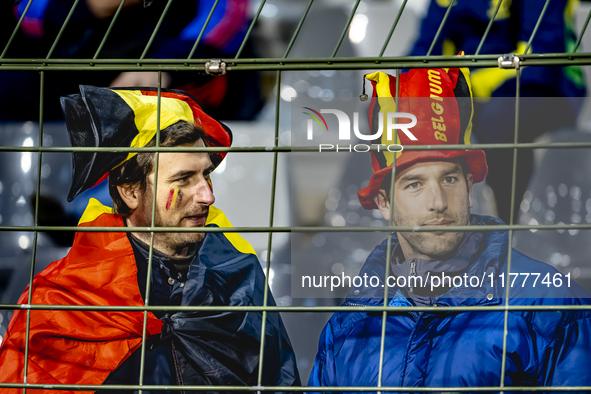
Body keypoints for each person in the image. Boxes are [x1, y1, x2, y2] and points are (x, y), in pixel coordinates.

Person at [0, 86, 300, 391]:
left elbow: (281, 382)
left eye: (206, 175)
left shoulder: (238, 272)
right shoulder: (60, 298)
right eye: (184, 179)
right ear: (130, 191)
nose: (208, 196)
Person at [308, 68, 591, 389]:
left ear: (470, 188)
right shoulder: (347, 327)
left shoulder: (550, 304)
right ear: (384, 203)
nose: (438, 202)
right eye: (414, 184)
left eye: (449, 179)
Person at [408, 0, 586, 224]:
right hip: (473, 93)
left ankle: (508, 227)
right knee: (395, 112)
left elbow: (537, 57)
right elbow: (423, 54)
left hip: (547, 91)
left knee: (500, 118)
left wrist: (464, 87)